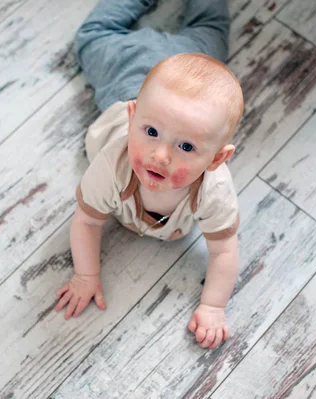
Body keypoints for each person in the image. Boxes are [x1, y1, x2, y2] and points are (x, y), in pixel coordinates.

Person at [54, 0, 244, 350]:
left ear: (217, 159)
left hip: (191, 61)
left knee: (213, 29)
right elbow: (87, 221)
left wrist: (213, 306)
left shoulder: (214, 190)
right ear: (131, 118)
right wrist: (86, 275)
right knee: (93, 37)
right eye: (151, 134)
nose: (160, 155)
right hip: (125, 72)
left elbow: (224, 251)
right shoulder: (114, 164)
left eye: (186, 148)